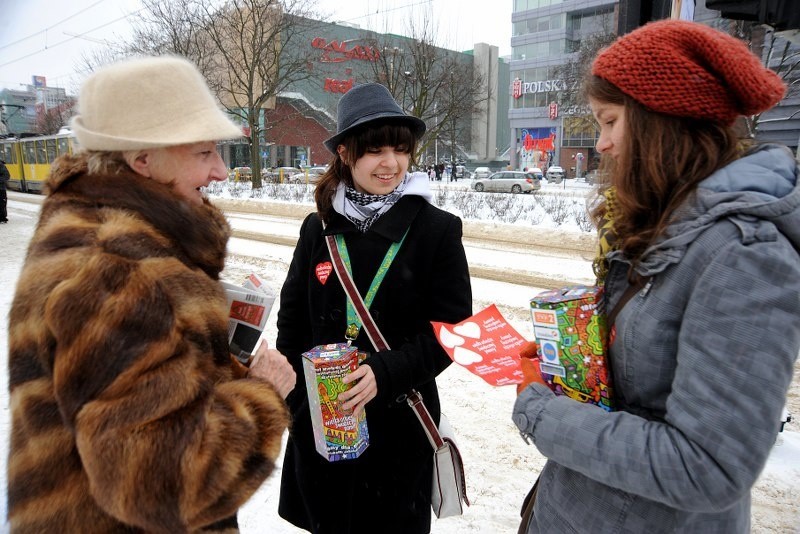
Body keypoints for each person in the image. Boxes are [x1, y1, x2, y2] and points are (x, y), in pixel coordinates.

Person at [513, 20, 800, 533]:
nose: (599, 145)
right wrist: (577, 361)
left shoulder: (742, 255)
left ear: (659, 123)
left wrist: (541, 412)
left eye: (608, 122)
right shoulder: (661, 222)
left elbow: (706, 467)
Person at [7, 56, 295, 533]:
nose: (221, 171)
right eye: (204, 153)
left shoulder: (91, 228)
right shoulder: (116, 274)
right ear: (143, 159)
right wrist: (262, 395)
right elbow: (164, 486)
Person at [275, 82, 472, 534]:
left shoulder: (435, 230)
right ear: (345, 152)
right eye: (375, 151)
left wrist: (384, 373)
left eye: (401, 150)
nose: (391, 164)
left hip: (398, 428)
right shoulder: (318, 228)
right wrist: (299, 407)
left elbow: (453, 332)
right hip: (324, 428)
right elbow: (292, 323)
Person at [0, 157, 9, 223]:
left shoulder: (1, 165)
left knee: (2, 203)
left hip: (1, 188)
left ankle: (2, 217)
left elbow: (7, 175)